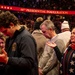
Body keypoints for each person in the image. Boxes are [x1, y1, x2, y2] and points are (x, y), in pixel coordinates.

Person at [0, 11, 38, 75]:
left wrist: (7, 60)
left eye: (5, 31)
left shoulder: (26, 37)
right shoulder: (10, 38)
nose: (5, 34)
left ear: (11, 25)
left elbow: (29, 62)